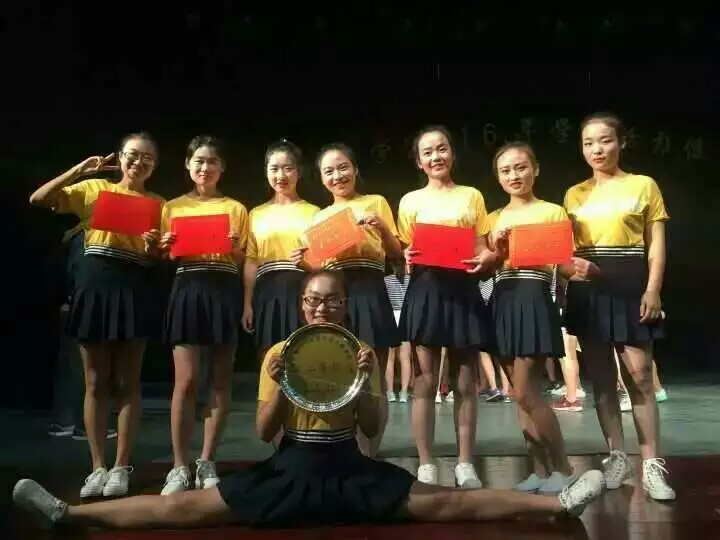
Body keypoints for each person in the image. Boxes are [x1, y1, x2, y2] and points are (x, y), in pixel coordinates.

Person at [13, 270, 606, 531]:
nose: (322, 308)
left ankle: (560, 505)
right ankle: (69, 515)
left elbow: (371, 426)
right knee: (184, 510)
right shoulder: (280, 352)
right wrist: (278, 380)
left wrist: (368, 380)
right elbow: (266, 433)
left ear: (345, 305)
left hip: (350, 465)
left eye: (332, 301)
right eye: (313, 301)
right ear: (302, 306)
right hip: (291, 465)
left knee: (451, 503)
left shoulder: (359, 352)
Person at [28, 133, 163, 498]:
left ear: (154, 165)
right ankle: (97, 467)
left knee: (128, 383)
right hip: (95, 284)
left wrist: (153, 248)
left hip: (133, 285)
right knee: (94, 381)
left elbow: (159, 256)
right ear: (120, 156)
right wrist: (80, 169)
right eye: (133, 154)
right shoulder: (94, 188)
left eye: (148, 158)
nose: (139, 162)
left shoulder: (158, 204)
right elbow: (39, 199)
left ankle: (121, 467)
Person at [562, 112, 674, 500]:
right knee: (603, 381)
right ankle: (617, 457)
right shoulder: (573, 194)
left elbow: (656, 246)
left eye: (605, 140)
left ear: (621, 142)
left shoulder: (644, 185)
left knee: (640, 377)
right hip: (588, 289)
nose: (597, 149)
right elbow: (565, 251)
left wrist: (652, 290)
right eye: (588, 143)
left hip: (630, 284)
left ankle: (652, 464)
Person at [397, 125, 496, 487]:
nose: (436, 156)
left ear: (452, 153)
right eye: (427, 152)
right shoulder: (409, 201)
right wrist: (406, 255)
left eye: (442, 149)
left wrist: (485, 259)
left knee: (466, 382)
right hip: (426, 289)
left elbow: (482, 248)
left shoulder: (472, 196)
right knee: (424, 382)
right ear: (419, 162)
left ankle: (465, 463)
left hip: (463, 289)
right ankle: (426, 463)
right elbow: (404, 250)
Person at [158, 136, 249, 495]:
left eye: (212, 161)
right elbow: (165, 255)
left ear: (221, 167)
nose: (205, 168)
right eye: (198, 161)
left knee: (221, 381)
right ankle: (179, 466)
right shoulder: (172, 207)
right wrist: (164, 247)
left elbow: (243, 259)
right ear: (187, 164)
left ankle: (207, 460)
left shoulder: (236, 208)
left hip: (224, 289)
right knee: (186, 381)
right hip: (188, 287)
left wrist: (235, 248)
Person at [300, 143, 403, 457]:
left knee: (373, 377)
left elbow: (396, 254)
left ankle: (370, 453)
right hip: (335, 295)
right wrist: (302, 261)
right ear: (321, 179)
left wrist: (381, 227)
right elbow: (317, 267)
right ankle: (343, 450)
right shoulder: (319, 218)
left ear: (355, 169)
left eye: (343, 167)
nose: (337, 176)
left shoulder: (376, 202)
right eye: (329, 171)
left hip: (370, 288)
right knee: (339, 373)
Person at [486, 141, 574, 495]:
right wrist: (496, 249)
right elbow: (484, 268)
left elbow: (564, 263)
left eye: (520, 167)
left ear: (535, 170)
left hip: (533, 295)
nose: (514, 175)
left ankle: (565, 468)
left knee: (527, 391)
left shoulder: (552, 211)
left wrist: (581, 269)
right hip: (502, 296)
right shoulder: (493, 218)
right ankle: (539, 470)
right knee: (516, 394)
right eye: (505, 170)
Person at [242, 139, 320, 362]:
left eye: (288, 168)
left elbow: (323, 262)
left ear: (299, 172)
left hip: (303, 290)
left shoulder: (315, 212)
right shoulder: (256, 213)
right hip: (267, 293)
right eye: (274, 168)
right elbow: (251, 262)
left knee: (303, 358)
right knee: (270, 360)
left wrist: (307, 262)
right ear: (266, 171)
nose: (281, 175)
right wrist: (247, 304)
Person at [383, 264, 412, 403]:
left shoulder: (387, 280)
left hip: (394, 316)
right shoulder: (410, 280)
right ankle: (401, 392)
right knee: (402, 357)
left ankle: (392, 392)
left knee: (392, 358)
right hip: (402, 317)